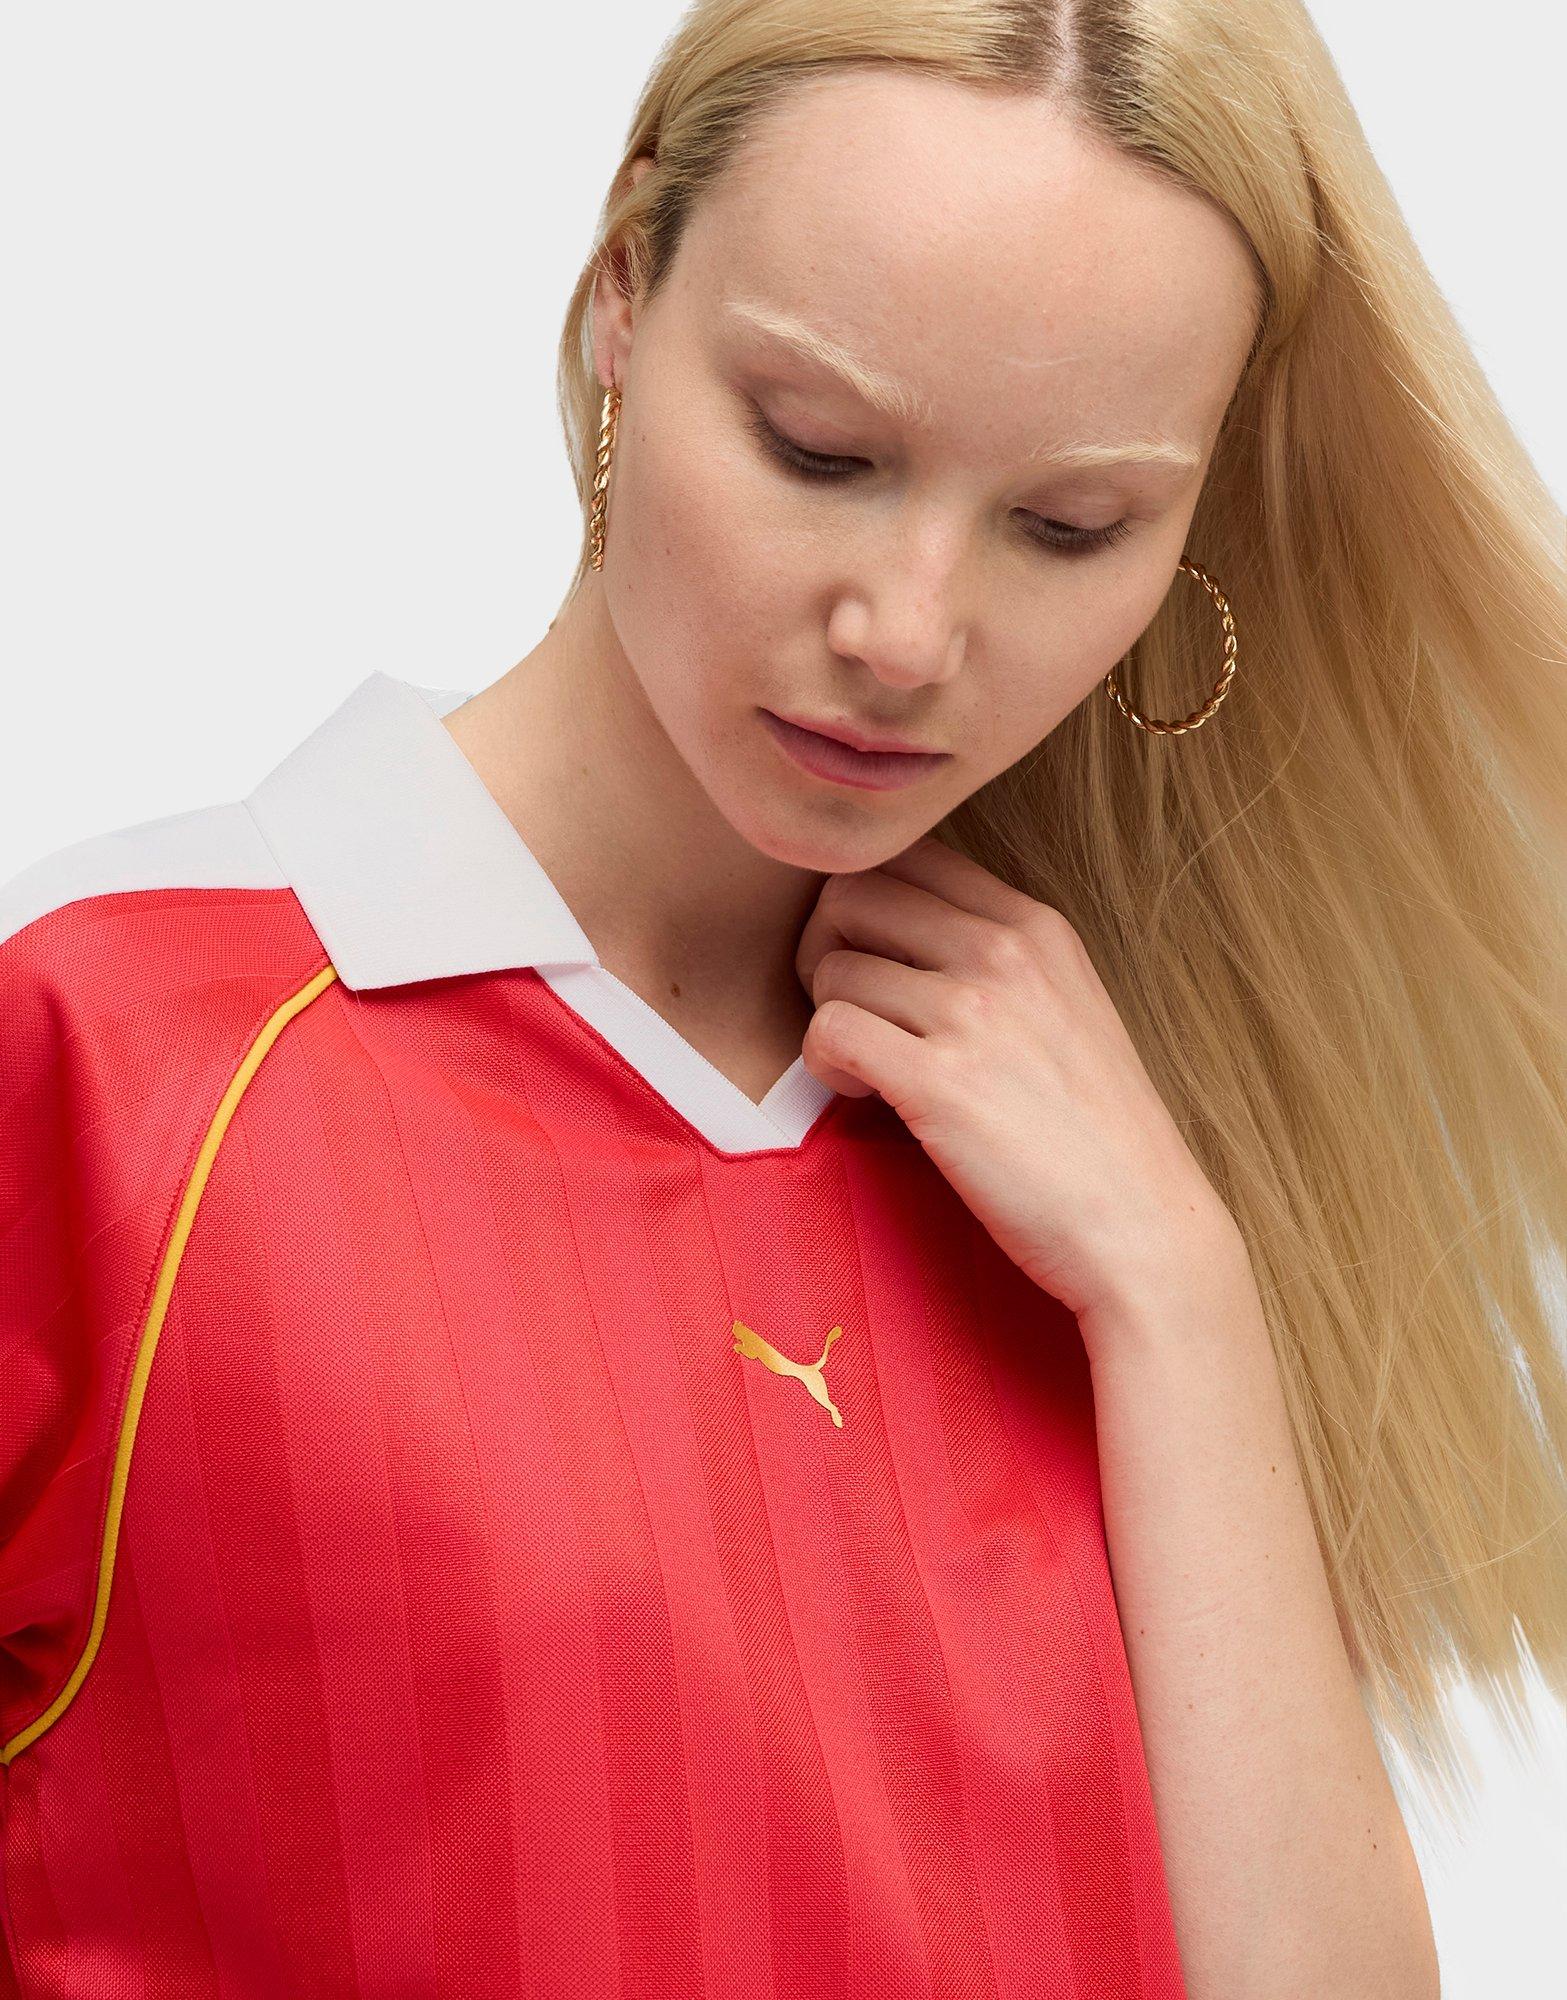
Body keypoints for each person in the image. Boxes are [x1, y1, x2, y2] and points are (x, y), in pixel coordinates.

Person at [3, 1, 1564, 1993]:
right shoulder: (108, 1053)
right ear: (623, 295)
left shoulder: (1124, 1168)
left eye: (1070, 526)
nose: (906, 634)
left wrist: (1179, 1294)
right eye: (818, 449)